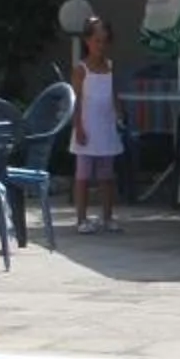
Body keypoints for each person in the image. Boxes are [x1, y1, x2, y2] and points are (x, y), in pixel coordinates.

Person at [71, 17, 124, 231]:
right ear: (87, 41)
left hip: (106, 127)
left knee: (107, 176)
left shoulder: (110, 67)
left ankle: (107, 217)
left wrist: (119, 115)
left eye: (104, 41)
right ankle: (81, 219)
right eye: (96, 41)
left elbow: (112, 93)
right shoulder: (81, 69)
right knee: (83, 177)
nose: (100, 46)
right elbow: (76, 101)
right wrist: (79, 127)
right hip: (86, 128)